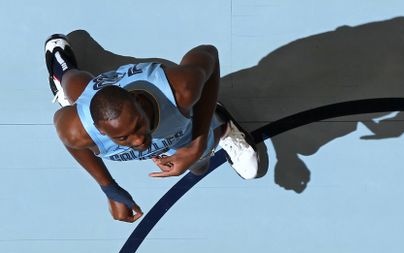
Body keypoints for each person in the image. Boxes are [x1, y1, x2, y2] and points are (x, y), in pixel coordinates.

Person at [45, 34, 263, 223]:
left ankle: (221, 124)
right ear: (102, 132)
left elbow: (209, 54)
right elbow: (70, 142)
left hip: (177, 119)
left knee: (198, 166)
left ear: (139, 100)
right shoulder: (76, 130)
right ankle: (62, 63)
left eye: (138, 126)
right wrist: (109, 188)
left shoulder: (180, 90)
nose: (138, 141)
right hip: (100, 102)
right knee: (79, 88)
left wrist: (195, 147)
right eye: (123, 138)